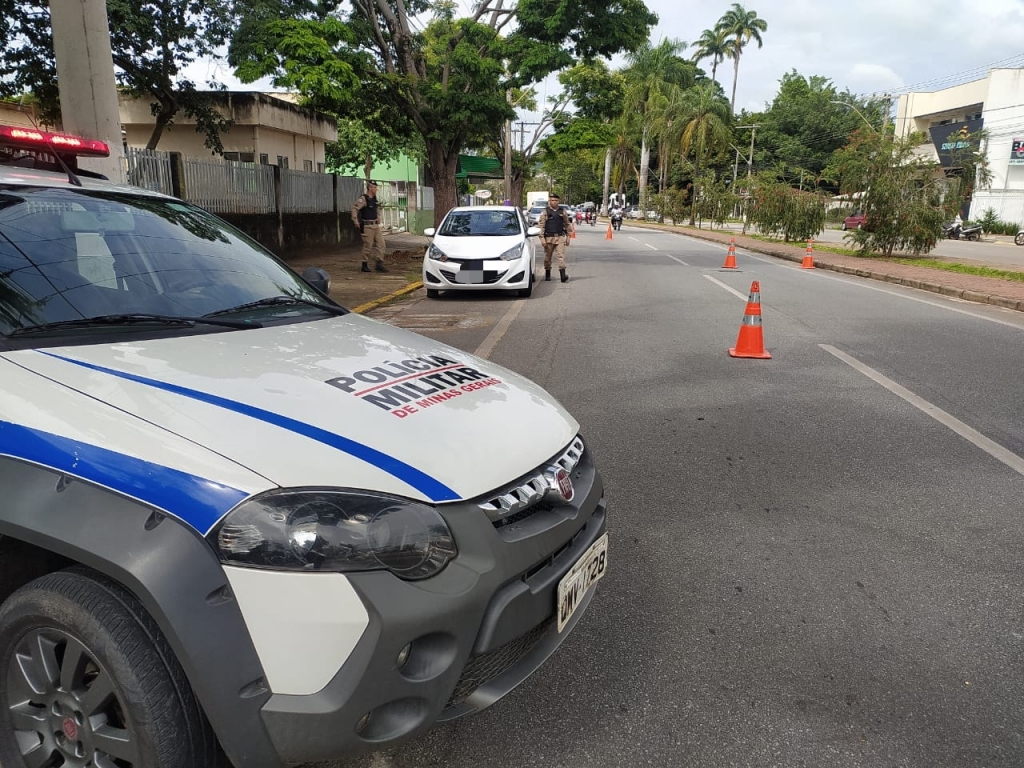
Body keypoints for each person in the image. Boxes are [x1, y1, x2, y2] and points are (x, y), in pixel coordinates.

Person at [351, 180, 388, 273]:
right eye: (374, 187)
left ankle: (379, 263)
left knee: (382, 244)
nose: (376, 189)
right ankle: (364, 264)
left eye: (376, 187)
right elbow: (354, 209)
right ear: (370, 188)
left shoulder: (374, 198)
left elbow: (376, 209)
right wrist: (355, 221)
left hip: (376, 225)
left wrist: (378, 217)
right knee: (368, 245)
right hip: (367, 226)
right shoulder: (364, 199)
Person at [537, 193, 574, 283]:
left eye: (556, 200)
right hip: (548, 238)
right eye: (552, 200)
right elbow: (541, 226)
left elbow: (567, 224)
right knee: (548, 257)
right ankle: (548, 274)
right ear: (549, 201)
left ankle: (562, 275)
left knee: (560, 256)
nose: (554, 202)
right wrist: (542, 239)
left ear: (559, 201)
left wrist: (568, 237)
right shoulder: (545, 212)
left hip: (560, 237)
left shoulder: (562, 211)